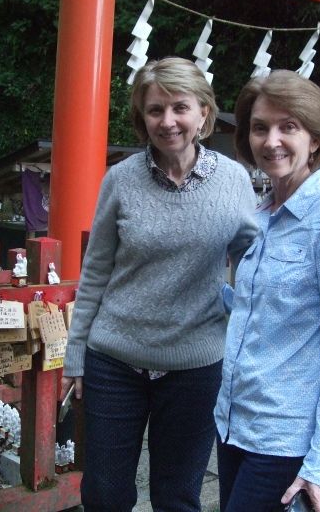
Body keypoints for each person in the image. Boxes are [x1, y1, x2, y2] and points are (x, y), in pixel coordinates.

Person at [61, 56, 258, 512]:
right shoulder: (121, 180)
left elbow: (252, 265)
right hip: (116, 358)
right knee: (105, 495)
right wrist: (76, 358)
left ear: (203, 113)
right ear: (141, 117)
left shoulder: (233, 180)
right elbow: (94, 273)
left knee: (178, 497)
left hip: (196, 361)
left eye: (180, 108)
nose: (168, 122)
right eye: (155, 110)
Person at [214, 70, 320, 512]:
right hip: (232, 421)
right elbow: (254, 310)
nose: (272, 140)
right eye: (260, 128)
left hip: (285, 435)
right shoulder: (258, 215)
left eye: (288, 127)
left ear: (315, 140)